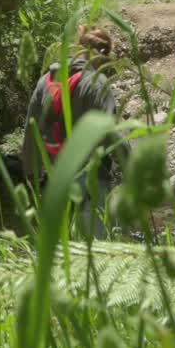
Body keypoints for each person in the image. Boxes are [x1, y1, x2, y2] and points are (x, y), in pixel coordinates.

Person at [20, 26, 123, 236]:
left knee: (62, 250)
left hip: (54, 178)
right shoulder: (97, 83)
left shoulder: (46, 81)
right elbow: (113, 131)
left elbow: (31, 131)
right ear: (104, 56)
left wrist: (31, 176)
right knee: (99, 251)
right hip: (92, 180)